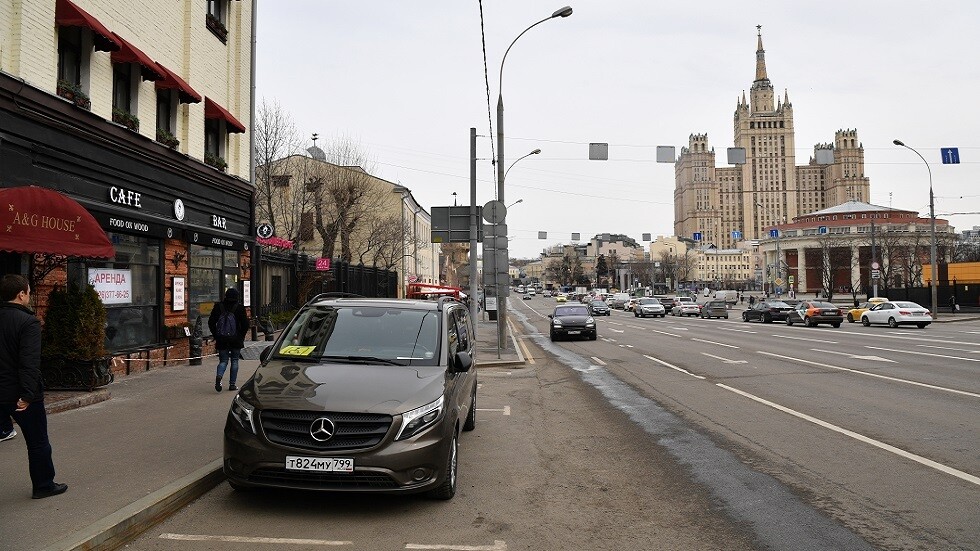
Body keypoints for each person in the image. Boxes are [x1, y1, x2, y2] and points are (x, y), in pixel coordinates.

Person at [0, 274, 68, 499]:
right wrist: (28, 395)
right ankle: (44, 485)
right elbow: (29, 362)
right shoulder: (28, 322)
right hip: (20, 395)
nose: (29, 295)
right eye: (28, 292)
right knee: (38, 442)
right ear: (21, 294)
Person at [208, 287, 250, 392]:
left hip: (222, 338)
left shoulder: (218, 306)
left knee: (223, 360)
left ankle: (219, 376)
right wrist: (241, 336)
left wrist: (216, 334)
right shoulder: (240, 308)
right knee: (235, 360)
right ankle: (232, 384)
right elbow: (245, 324)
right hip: (236, 339)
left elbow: (211, 322)